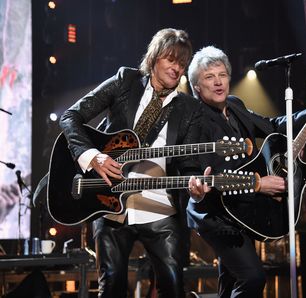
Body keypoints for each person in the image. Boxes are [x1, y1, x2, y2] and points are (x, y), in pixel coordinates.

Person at [186, 46, 306, 297]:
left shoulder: (235, 104)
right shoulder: (195, 120)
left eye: (222, 75)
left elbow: (273, 126)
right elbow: (215, 174)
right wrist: (260, 184)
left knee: (230, 282)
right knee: (253, 278)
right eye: (209, 77)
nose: (218, 82)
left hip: (241, 210)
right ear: (196, 87)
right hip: (215, 213)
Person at [59, 28, 201, 298]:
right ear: (155, 57)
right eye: (171, 60)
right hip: (108, 201)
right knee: (111, 286)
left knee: (173, 286)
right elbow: (71, 116)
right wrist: (92, 156)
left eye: (182, 64)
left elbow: (189, 163)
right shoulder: (126, 81)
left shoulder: (188, 108)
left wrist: (196, 183)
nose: (177, 69)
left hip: (159, 208)